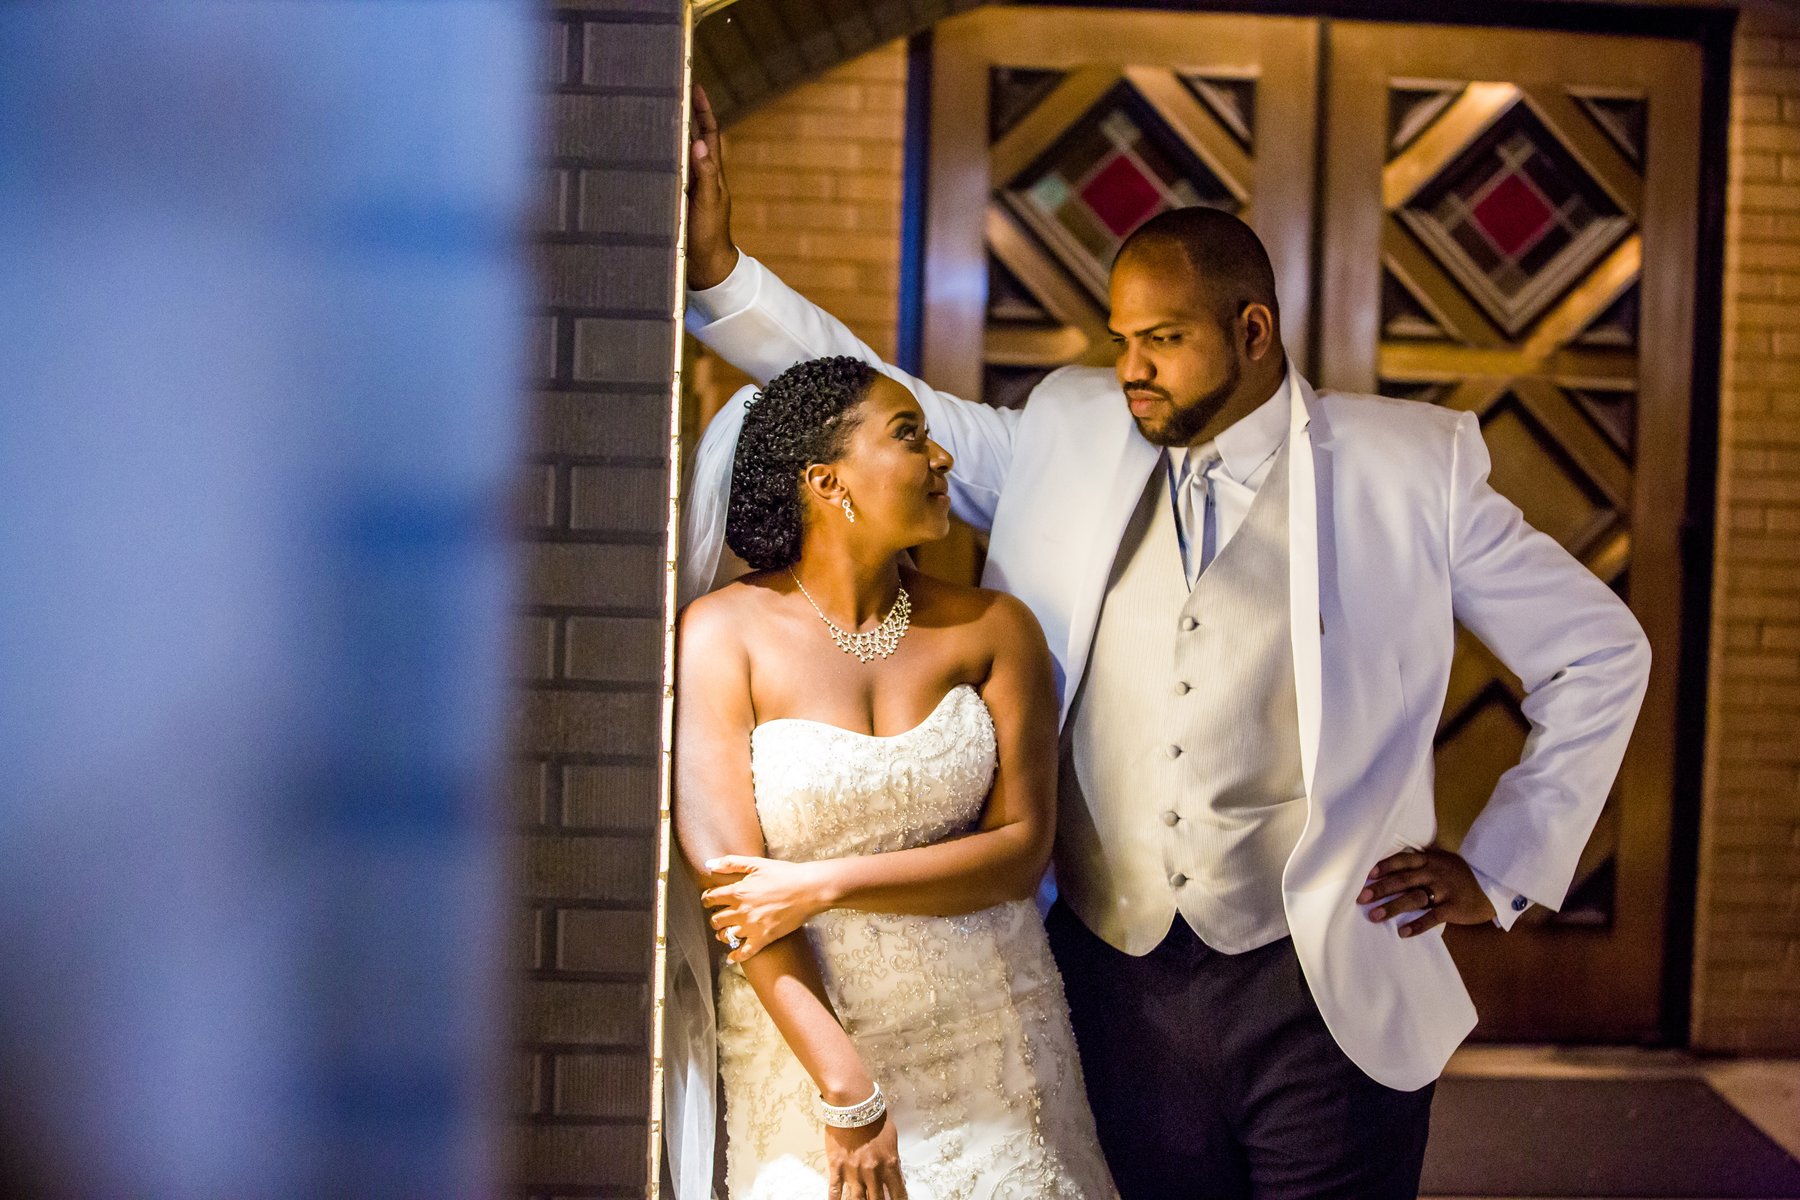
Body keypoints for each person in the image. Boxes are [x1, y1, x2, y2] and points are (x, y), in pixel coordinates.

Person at [679, 85, 1652, 1200]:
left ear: (1252, 332)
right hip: (1114, 982)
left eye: (1164, 341)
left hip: (1325, 990)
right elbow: (870, 406)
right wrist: (720, 272)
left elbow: (1599, 650)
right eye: (1123, 341)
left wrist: (1502, 868)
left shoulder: (1409, 469)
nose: (1132, 367)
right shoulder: (1069, 428)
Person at [672, 355, 1118, 1200]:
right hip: (810, 1042)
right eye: (909, 435)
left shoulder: (995, 629)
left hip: (996, 1032)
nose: (941, 457)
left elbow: (1022, 852)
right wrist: (844, 1087)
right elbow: (735, 893)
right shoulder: (722, 635)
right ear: (826, 481)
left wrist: (823, 883)